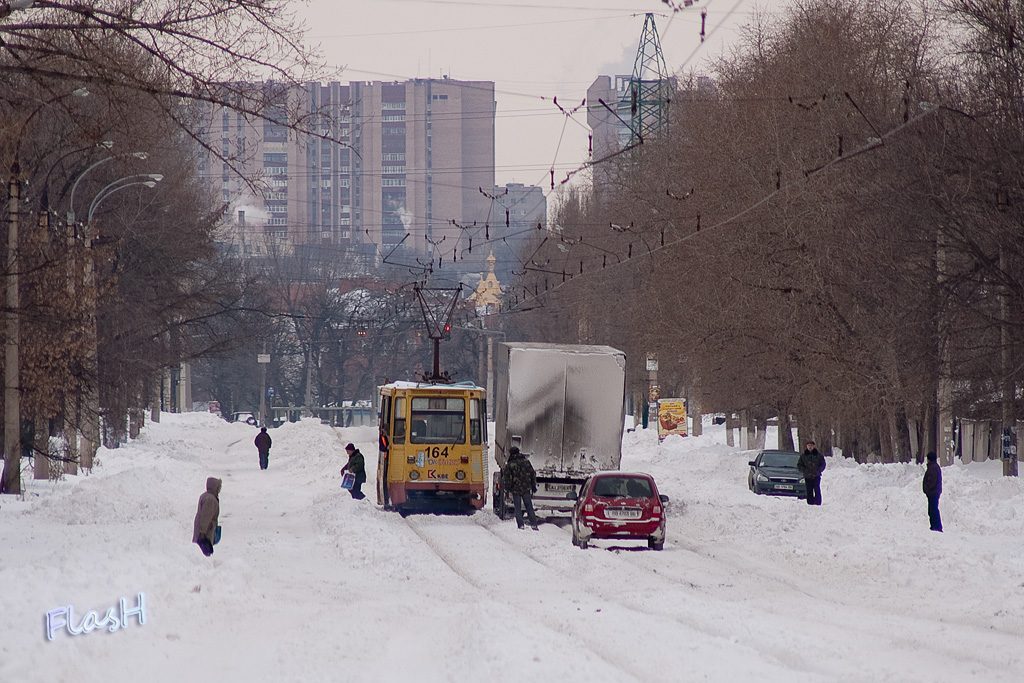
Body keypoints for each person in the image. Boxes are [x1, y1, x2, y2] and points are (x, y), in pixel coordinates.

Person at [503, 446, 539, 530]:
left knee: (518, 508)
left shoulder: (510, 465)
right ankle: (534, 524)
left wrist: (507, 489)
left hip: (516, 489)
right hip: (526, 488)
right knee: (529, 506)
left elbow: (508, 478)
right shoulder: (526, 462)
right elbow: (532, 474)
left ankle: (520, 525)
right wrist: (533, 486)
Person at [192, 477, 222, 557]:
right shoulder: (210, 499)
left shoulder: (207, 496)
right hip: (206, 531)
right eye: (219, 487)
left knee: (201, 551)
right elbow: (205, 517)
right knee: (204, 551)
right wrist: (202, 533)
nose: (220, 489)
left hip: (205, 530)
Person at [797, 440, 826, 505]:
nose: (810, 447)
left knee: (817, 488)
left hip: (816, 475)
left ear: (813, 446)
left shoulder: (818, 455)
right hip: (807, 476)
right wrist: (804, 470)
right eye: (809, 445)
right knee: (809, 490)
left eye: (811, 445)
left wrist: (819, 470)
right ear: (807, 446)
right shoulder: (803, 456)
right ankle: (810, 502)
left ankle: (818, 502)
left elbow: (823, 464)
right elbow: (799, 465)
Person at [923, 451, 943, 532]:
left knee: (933, 510)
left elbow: (932, 481)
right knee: (932, 509)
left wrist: (927, 488)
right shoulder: (934, 467)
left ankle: (936, 526)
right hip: (933, 492)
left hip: (933, 492)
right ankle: (934, 526)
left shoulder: (933, 468)